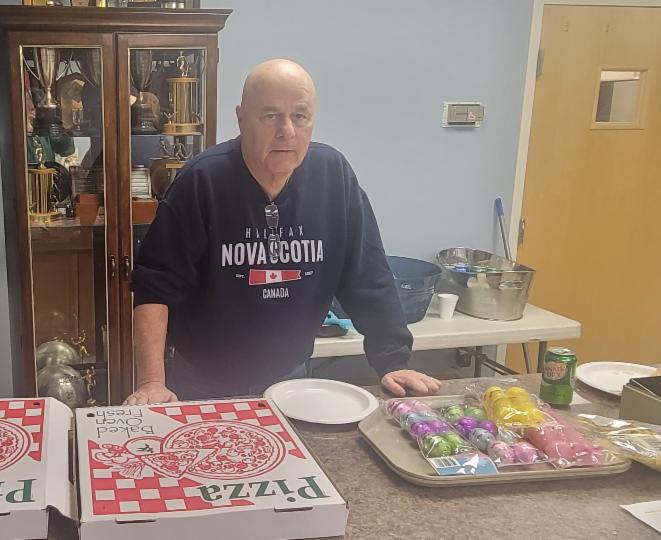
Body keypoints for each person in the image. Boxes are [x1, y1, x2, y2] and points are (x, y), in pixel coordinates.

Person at [125, 59, 441, 404]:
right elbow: (155, 287)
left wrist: (392, 360)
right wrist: (152, 381)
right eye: (270, 115)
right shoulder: (202, 181)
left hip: (290, 376)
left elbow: (368, 275)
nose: (286, 131)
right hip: (203, 380)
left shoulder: (334, 177)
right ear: (241, 118)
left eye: (300, 116)